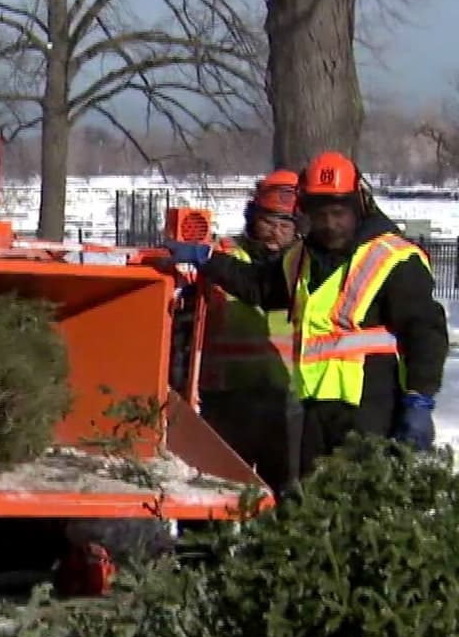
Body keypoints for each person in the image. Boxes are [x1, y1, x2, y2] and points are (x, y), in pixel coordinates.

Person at [166, 150, 449, 477]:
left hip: (371, 409)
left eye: (338, 213)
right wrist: (207, 259)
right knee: (310, 498)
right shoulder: (302, 259)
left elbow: (425, 332)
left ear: (359, 204)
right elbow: (259, 285)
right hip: (313, 410)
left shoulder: (393, 257)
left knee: (357, 496)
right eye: (320, 214)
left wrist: (419, 399)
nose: (330, 224)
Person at [197, 169, 302, 495]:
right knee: (216, 492)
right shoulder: (221, 256)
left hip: (285, 401)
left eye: (285, 226)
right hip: (225, 399)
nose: (275, 233)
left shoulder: (304, 268)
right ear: (252, 218)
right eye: (268, 222)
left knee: (287, 495)